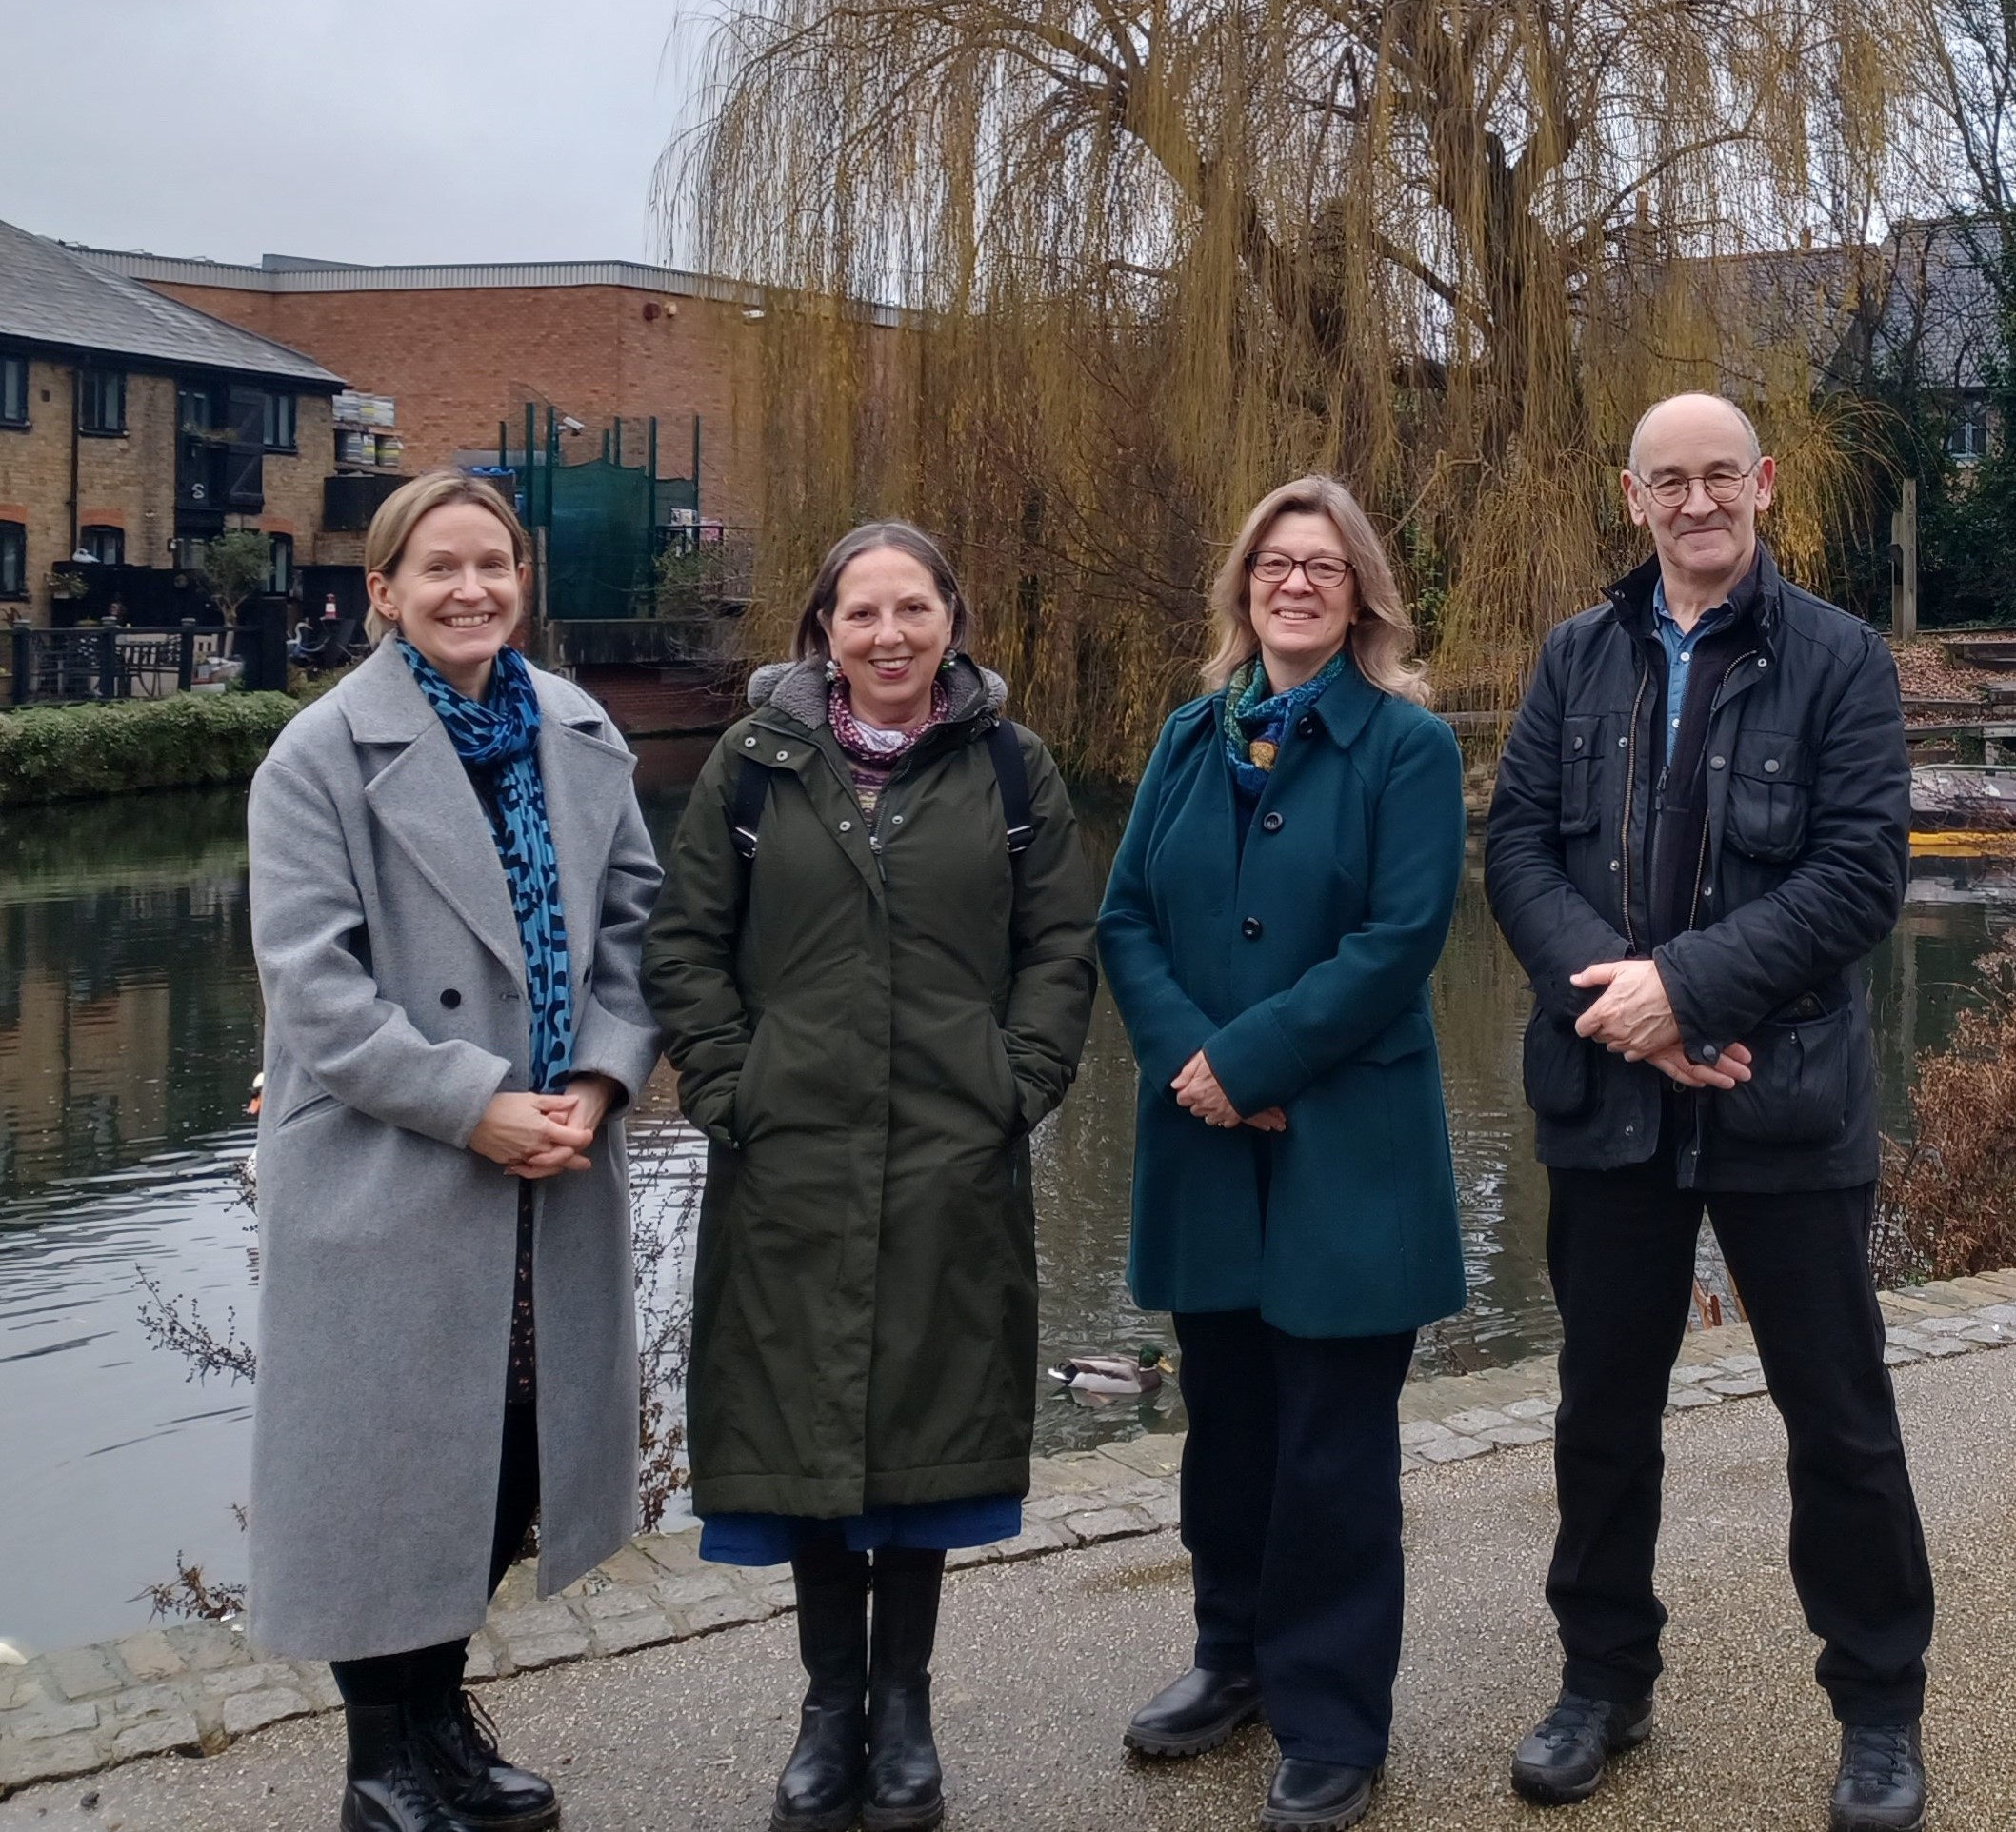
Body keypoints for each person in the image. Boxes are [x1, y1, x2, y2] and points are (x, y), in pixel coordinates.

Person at [1484, 392, 1934, 1832]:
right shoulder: (1574, 657)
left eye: (1719, 477)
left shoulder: (1839, 661)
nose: (1695, 503)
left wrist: (1686, 990)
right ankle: (1601, 1681)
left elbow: (1859, 877)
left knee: (1840, 1420)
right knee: (1600, 1414)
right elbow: (1518, 855)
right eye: (1668, 481)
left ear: (1765, 485)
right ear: (1631, 497)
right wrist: (1617, 1007)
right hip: (1608, 1098)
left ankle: (1876, 1708)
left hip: (1784, 1102)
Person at [645, 523, 1098, 1832]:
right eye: (861, 614)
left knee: (917, 1435)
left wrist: (1016, 1085)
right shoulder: (754, 763)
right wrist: (732, 1086)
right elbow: (685, 945)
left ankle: (902, 1709)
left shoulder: (1012, 768)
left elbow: (1061, 944)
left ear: (951, 619)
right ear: (823, 630)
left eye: (912, 609)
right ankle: (821, 1706)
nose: (888, 635)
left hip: (952, 1155)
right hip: (790, 1157)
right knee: (803, 1436)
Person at [248, 469, 665, 1832]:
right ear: (382, 592)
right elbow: (315, 992)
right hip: (398, 1166)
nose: (470, 589)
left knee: (505, 1460)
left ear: (521, 583)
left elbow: (632, 934)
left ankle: (439, 1723)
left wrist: (599, 1083)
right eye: (438, 569)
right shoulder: (317, 756)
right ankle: (383, 1766)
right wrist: (474, 1102)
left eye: (493, 565)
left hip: (555, 1166)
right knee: (392, 1469)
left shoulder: (579, 730)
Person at [1102, 477, 1468, 1832]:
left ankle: (1331, 1717)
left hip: (1342, 1147)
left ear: (1360, 591)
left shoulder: (1405, 750)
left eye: (1322, 566)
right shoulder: (1190, 735)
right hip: (1205, 1139)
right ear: (1243, 587)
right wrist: (1195, 1064)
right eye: (1274, 564)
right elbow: (1126, 912)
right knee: (1230, 1427)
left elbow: (1399, 940)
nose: (1296, 583)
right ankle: (1232, 1658)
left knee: (1330, 1445)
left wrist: (1252, 1064)